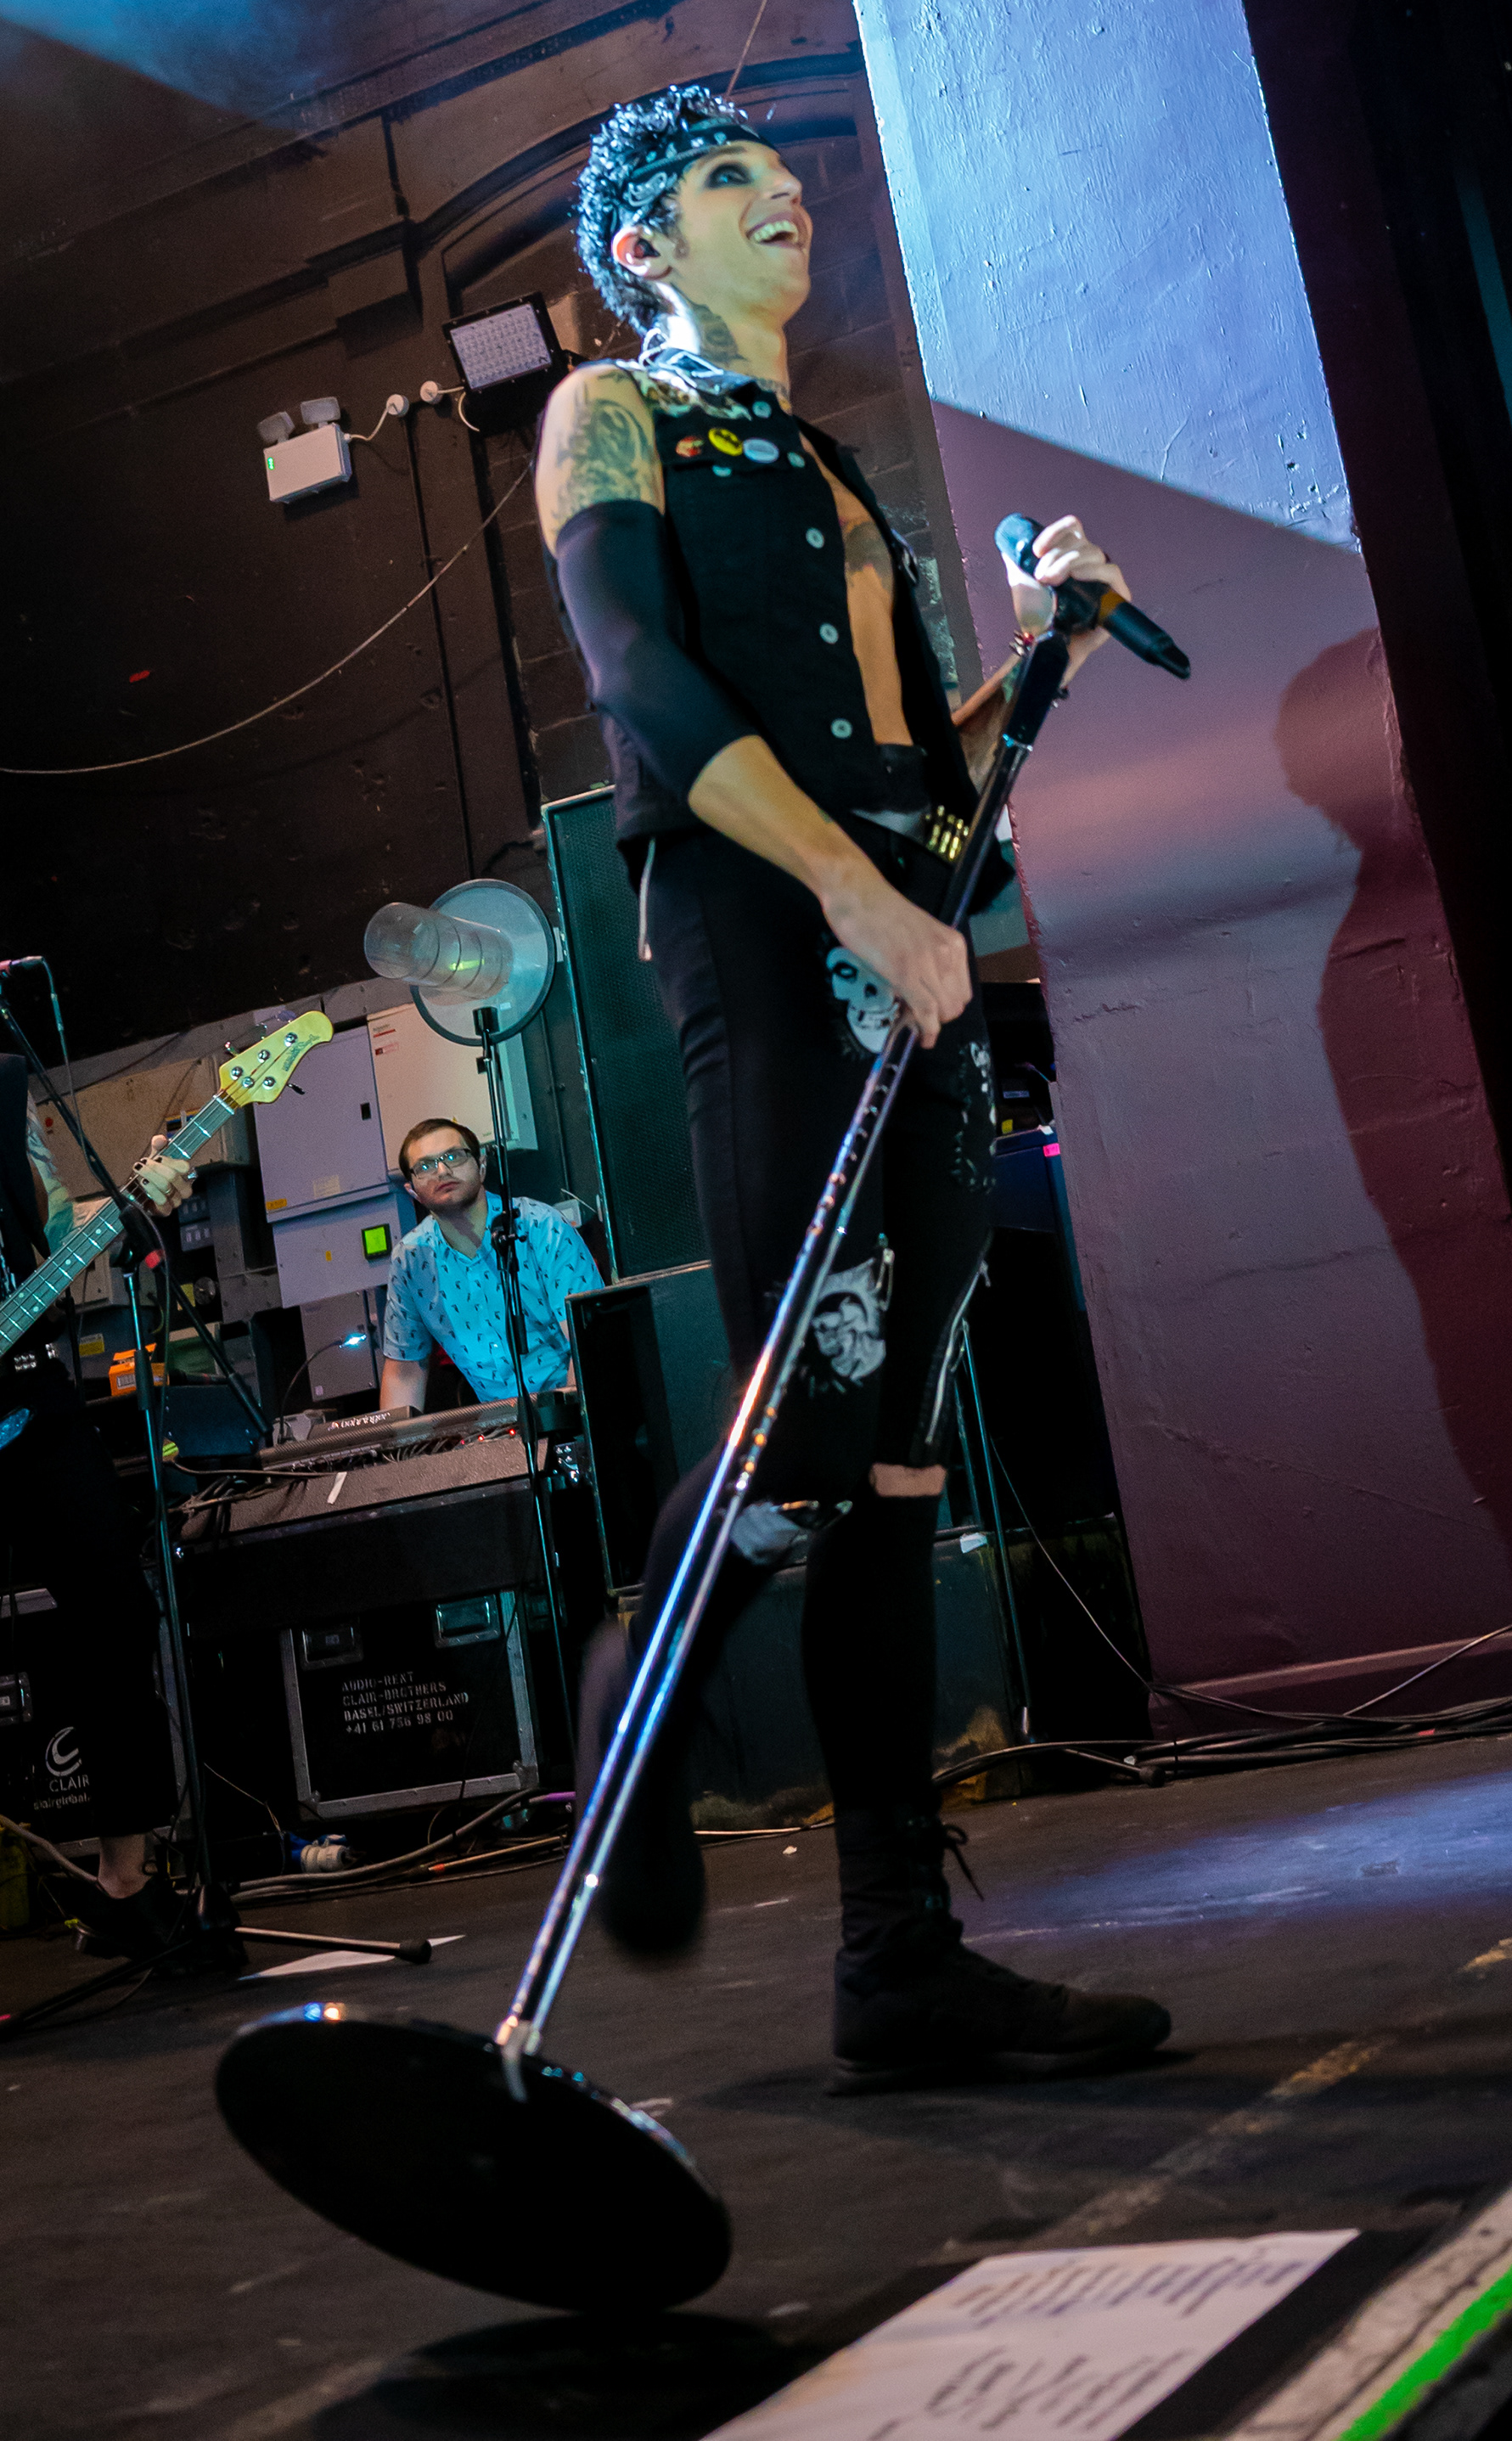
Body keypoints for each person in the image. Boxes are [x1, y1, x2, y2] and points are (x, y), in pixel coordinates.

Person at [533, 84, 1171, 2091]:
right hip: (772, 929)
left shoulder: (826, 465)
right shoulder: (612, 414)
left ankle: (899, 1960)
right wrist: (850, 894)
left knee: (893, 1455)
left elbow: (925, 787)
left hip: (904, 944)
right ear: (644, 245)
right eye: (728, 179)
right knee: (802, 1418)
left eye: (784, 175)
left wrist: (1038, 663)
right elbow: (641, 682)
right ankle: (636, 1700)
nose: (781, 197)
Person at [0, 1055, 199, 1960]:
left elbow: (47, 1229)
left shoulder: (3, 1087)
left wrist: (132, 1203)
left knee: (118, 1612)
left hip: (34, 1398)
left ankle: (126, 1883)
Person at [377, 1118, 601, 1413]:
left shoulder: (540, 1226)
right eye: (426, 1166)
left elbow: (588, 1340)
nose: (442, 1171)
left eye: (453, 1157)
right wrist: (397, 1443)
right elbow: (404, 1373)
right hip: (499, 1424)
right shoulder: (410, 1259)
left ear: (481, 1165)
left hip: (574, 1409)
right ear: (412, 1191)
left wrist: (566, 1423)